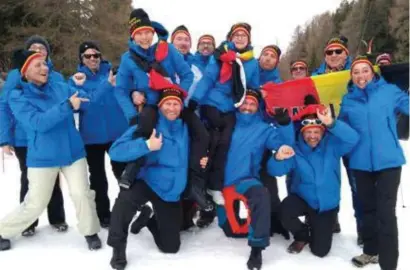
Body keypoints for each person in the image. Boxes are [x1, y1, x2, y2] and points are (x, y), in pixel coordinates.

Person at [0, 49, 102, 251]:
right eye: (37, 65)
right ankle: (3, 230)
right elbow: (38, 123)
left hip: (73, 152)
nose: (44, 68)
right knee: (36, 203)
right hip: (43, 156)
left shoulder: (59, 87)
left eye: (44, 63)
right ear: (25, 71)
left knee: (82, 193)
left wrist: (94, 88)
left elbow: (86, 99)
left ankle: (90, 231)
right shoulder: (16, 96)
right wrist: (67, 106)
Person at [107, 86, 208, 270]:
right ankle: (118, 248)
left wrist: (202, 158)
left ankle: (148, 219)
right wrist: (146, 145)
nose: (172, 108)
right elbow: (115, 152)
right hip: (147, 181)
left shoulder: (189, 128)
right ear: (160, 106)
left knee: (171, 247)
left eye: (176, 104)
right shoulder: (148, 124)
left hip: (171, 190)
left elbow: (199, 149)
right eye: (167, 103)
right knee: (124, 202)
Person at [338, 56, 409, 270]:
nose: (361, 76)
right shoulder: (348, 100)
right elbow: (344, 130)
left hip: (388, 161)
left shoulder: (388, 91)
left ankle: (389, 265)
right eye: (356, 72)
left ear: (373, 72)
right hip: (360, 163)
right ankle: (370, 251)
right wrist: (331, 123)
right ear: (351, 76)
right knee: (366, 208)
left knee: (385, 213)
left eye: (365, 71)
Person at [215, 89, 294, 270]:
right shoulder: (226, 122)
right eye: (245, 103)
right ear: (239, 104)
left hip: (246, 180)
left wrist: (284, 123)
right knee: (232, 231)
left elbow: (284, 143)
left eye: (253, 104)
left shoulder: (263, 128)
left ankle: (257, 249)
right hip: (222, 185)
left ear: (257, 108)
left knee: (261, 195)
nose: (248, 107)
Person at [189, 22, 260, 219]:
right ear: (230, 38)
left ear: (248, 40)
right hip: (212, 103)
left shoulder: (252, 62)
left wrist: (256, 102)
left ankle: (215, 185)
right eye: (236, 35)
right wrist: (195, 100)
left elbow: (252, 87)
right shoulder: (220, 56)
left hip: (231, 107)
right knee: (211, 141)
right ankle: (200, 185)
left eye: (243, 36)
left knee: (226, 143)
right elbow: (208, 79)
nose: (239, 38)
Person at [0, 35, 67, 237]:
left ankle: (57, 217)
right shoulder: (16, 76)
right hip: (24, 136)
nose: (38, 49)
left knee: (53, 176)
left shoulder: (56, 77)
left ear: (48, 53)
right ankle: (28, 222)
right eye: (33, 47)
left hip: (51, 136)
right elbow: (4, 107)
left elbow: (64, 106)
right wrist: (4, 138)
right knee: (29, 177)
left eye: (42, 47)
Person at [271, 104, 359, 257]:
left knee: (320, 251)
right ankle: (302, 234)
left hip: (325, 205)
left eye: (316, 132)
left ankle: (319, 224)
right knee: (285, 210)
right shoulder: (295, 149)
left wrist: (332, 123)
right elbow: (275, 171)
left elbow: (353, 138)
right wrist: (278, 158)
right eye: (309, 132)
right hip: (303, 199)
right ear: (302, 133)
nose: (312, 136)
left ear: (323, 132)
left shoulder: (332, 146)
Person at [68, 41, 128, 228]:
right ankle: (103, 214)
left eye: (96, 55)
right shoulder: (76, 79)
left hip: (117, 133)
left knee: (124, 173)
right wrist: (106, 85)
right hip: (92, 137)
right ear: (81, 59)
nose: (93, 58)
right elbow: (87, 102)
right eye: (88, 55)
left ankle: (129, 208)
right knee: (98, 178)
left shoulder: (114, 73)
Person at [312, 35, 358, 236]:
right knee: (328, 178)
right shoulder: (317, 75)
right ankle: (332, 218)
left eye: (338, 51)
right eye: (329, 52)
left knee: (358, 181)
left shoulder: (356, 72)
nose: (333, 55)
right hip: (327, 133)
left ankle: (364, 228)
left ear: (346, 53)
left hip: (351, 132)